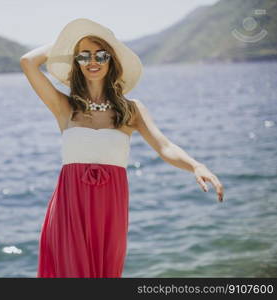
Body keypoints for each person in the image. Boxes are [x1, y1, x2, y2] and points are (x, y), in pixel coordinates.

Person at [20, 18, 224, 278]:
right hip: (69, 208)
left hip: (110, 209)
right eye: (84, 55)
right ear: (76, 61)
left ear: (111, 60)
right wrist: (69, 42)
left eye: (101, 54)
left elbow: (164, 146)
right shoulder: (65, 107)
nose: (93, 61)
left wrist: (195, 165)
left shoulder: (131, 110)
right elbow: (28, 62)